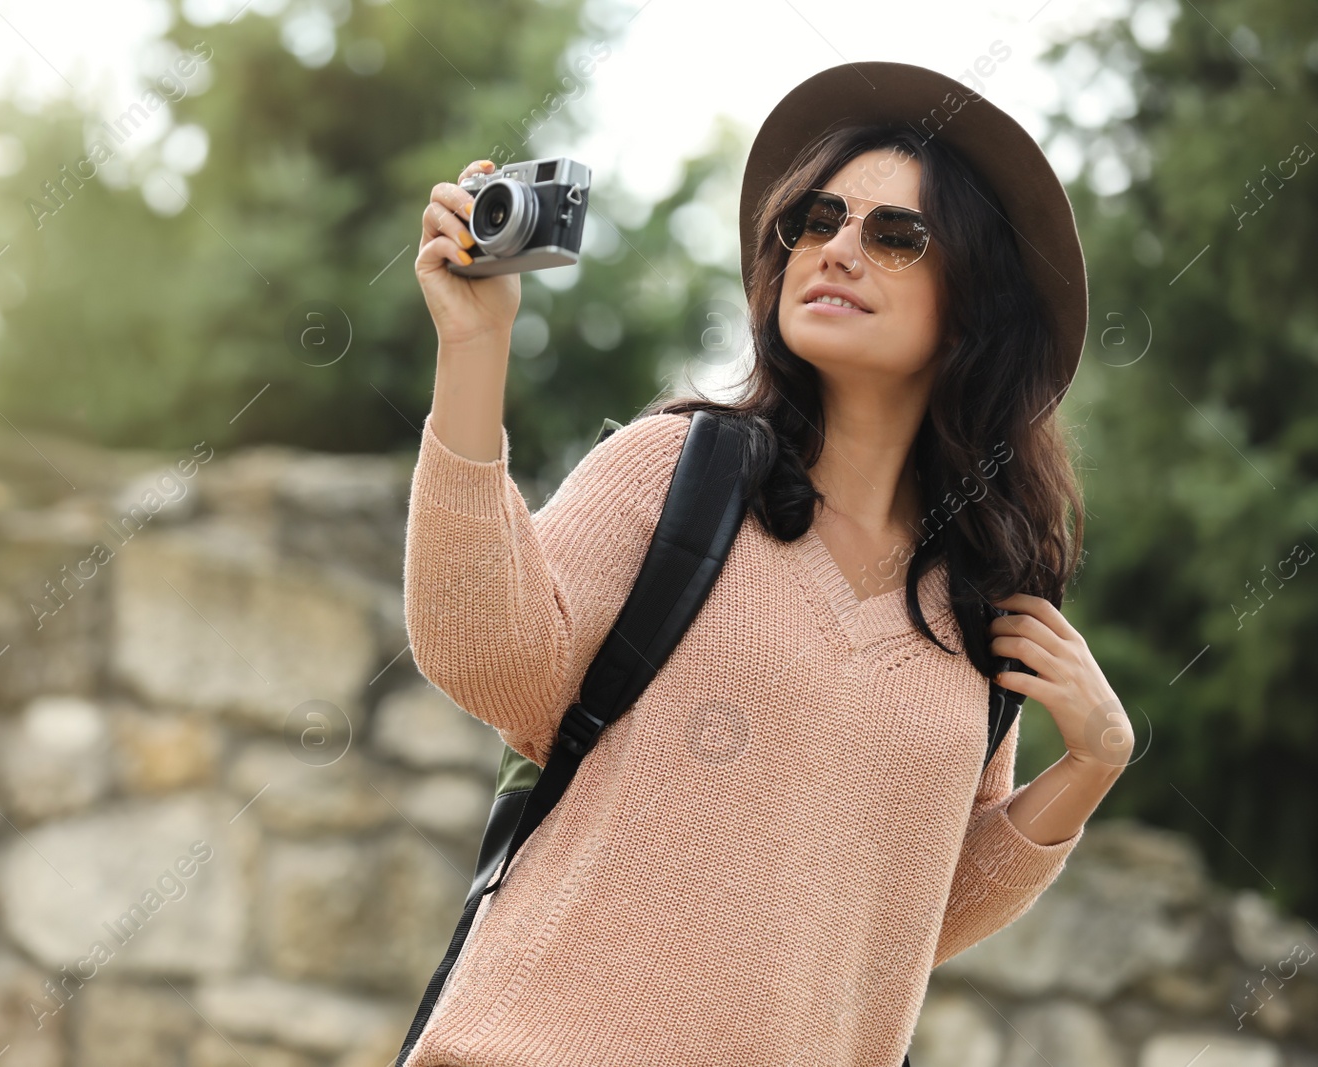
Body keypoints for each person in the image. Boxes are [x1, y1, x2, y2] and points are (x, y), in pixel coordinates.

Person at [401, 61, 1135, 1067]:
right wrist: (475, 350)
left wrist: (1090, 766)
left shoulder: (975, 603)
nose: (837, 247)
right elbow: (481, 655)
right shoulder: (677, 468)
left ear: (973, 307)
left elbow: (893, 922)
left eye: (895, 235)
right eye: (817, 219)